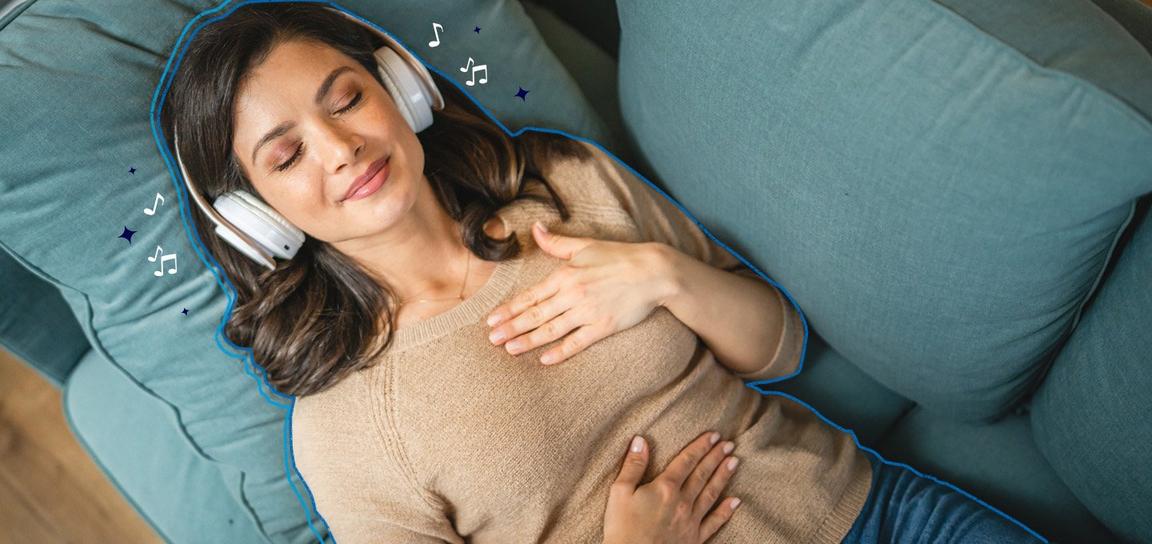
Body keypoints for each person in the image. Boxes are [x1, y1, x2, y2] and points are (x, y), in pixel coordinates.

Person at [161, 3, 1047, 543]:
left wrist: (662, 275)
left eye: (347, 97)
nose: (343, 147)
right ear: (257, 218)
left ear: (400, 85)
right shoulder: (345, 429)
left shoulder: (563, 185)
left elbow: (779, 348)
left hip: (882, 516)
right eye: (287, 155)